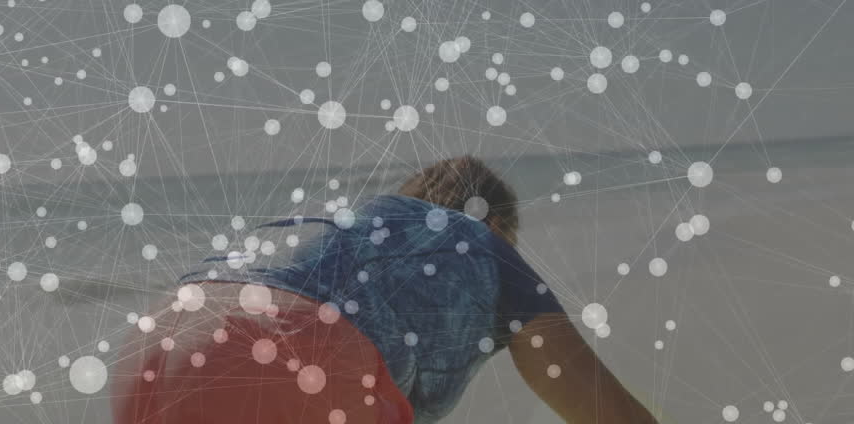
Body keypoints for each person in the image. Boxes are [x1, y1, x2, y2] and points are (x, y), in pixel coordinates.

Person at [111, 156, 660, 424]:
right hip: (294, 358)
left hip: (157, 340)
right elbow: (603, 409)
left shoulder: (336, 227)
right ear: (496, 227)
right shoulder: (481, 244)